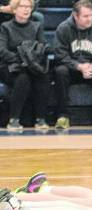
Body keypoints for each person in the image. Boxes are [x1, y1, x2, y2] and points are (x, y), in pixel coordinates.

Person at [53, 0, 92, 129]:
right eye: (85, 16)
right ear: (76, 16)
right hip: (72, 70)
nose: (90, 19)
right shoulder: (63, 28)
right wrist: (78, 66)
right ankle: (63, 116)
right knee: (60, 71)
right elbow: (60, 55)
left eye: (91, 15)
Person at [0, 0, 50, 131]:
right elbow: (2, 50)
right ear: (14, 9)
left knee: (43, 76)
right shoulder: (5, 27)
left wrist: (36, 57)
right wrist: (20, 59)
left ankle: (40, 119)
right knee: (23, 78)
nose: (26, 9)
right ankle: (13, 120)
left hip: (31, 64)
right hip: (10, 65)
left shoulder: (36, 26)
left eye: (29, 7)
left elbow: (42, 45)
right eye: (22, 6)